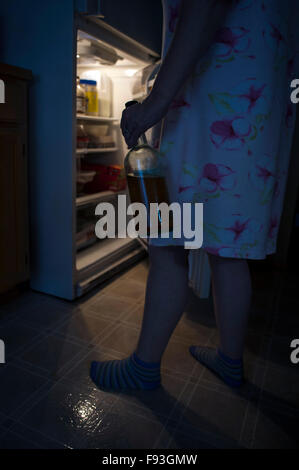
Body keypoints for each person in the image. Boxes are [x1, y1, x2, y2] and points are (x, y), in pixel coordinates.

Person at [90, 0, 298, 390]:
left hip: (209, 92)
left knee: (168, 241)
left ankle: (143, 369)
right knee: (228, 248)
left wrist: (156, 101)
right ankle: (230, 361)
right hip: (256, 103)